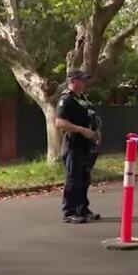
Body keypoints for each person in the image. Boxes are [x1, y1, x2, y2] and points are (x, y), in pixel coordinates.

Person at [55, 70, 101, 224]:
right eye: (82, 80)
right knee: (73, 178)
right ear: (73, 81)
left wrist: (96, 133)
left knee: (84, 178)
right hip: (74, 144)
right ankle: (69, 211)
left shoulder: (82, 98)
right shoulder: (66, 99)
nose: (85, 83)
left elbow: (92, 117)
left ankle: (82, 208)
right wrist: (82, 130)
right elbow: (59, 123)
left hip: (86, 145)